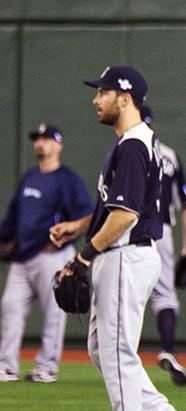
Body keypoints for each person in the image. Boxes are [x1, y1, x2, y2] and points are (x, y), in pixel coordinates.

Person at [49, 65, 186, 411]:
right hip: (125, 254)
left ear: (125, 98)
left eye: (103, 93)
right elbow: (116, 207)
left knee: (116, 350)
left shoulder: (132, 145)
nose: (96, 99)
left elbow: (127, 215)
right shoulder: (135, 144)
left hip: (126, 255)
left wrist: (83, 256)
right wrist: (81, 228)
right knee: (104, 350)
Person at [0, 124, 93, 383]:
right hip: (22, 257)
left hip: (52, 255)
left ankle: (46, 367)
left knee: (54, 310)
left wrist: (70, 235)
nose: (41, 143)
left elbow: (87, 215)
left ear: (58, 145)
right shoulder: (29, 178)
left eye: (47, 139)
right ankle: (7, 366)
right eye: (38, 139)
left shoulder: (67, 180)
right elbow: (12, 217)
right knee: (10, 307)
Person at [139, 106, 186, 387]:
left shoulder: (126, 150)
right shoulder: (169, 156)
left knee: (125, 294)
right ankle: (169, 349)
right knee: (164, 295)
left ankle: (120, 353)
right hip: (161, 231)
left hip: (130, 229)